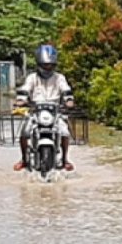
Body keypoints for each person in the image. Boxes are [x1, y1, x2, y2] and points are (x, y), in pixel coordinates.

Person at [13, 44, 76, 172]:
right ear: (38, 64)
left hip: (56, 113)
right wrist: (20, 101)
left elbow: (66, 90)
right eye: (45, 65)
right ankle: (24, 159)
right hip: (35, 112)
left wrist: (69, 101)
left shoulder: (59, 78)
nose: (48, 68)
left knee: (64, 132)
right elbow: (25, 90)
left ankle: (65, 159)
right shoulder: (32, 78)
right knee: (24, 133)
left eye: (51, 65)